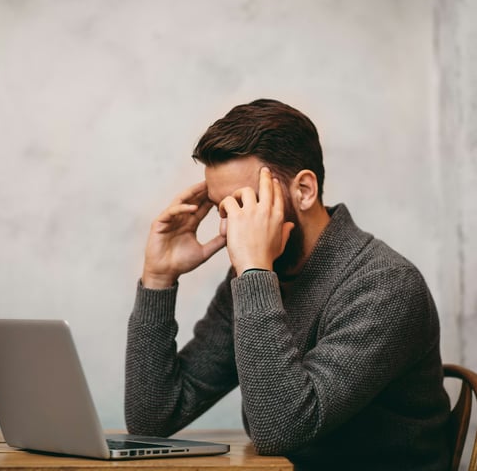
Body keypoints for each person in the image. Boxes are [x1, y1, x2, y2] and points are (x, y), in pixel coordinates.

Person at [125, 99, 450, 470]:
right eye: (223, 210)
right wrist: (158, 279)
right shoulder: (257, 277)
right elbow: (152, 419)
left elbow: (281, 430)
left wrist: (253, 274)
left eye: (246, 205)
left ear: (305, 190)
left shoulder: (385, 285)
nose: (230, 229)